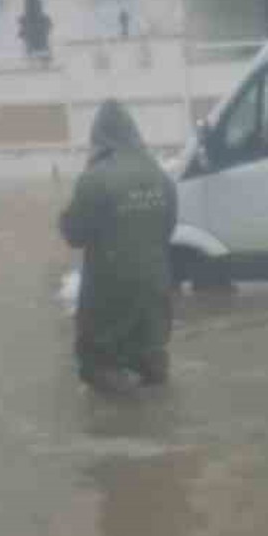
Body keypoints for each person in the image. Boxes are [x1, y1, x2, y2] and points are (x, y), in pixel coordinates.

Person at [60, 100, 178, 393]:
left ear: (98, 137)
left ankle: (118, 431)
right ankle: (160, 427)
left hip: (110, 291)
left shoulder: (94, 178)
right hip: (155, 288)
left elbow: (74, 234)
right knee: (152, 363)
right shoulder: (161, 176)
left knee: (99, 367)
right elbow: (167, 229)